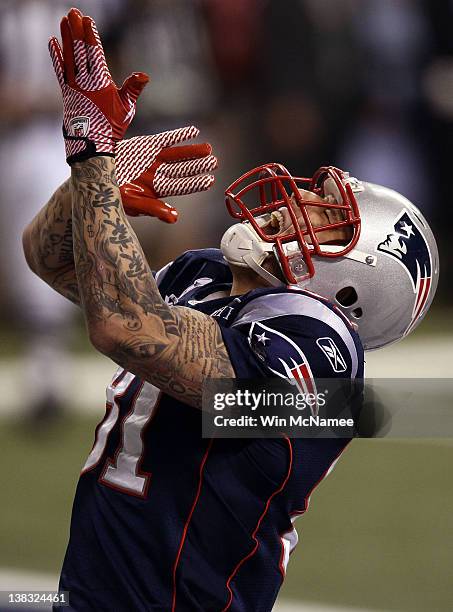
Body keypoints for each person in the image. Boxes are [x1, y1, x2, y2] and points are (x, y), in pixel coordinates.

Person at [23, 9, 439, 611]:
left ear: (353, 288)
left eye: (326, 213)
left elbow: (124, 325)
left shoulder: (320, 366)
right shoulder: (209, 275)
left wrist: (90, 156)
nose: (296, 196)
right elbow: (49, 257)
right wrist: (101, 179)